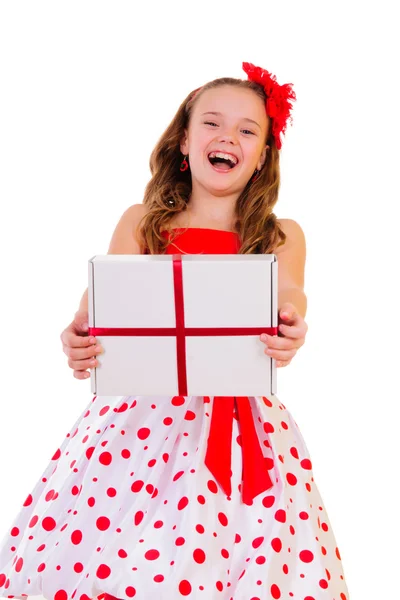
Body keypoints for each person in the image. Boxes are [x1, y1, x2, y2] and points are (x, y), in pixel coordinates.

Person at [0, 62, 350, 600]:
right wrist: (79, 334)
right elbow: (100, 304)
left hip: (244, 427)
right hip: (141, 420)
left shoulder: (282, 234)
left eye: (247, 130)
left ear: (262, 158)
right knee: (134, 557)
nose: (227, 136)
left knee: (248, 553)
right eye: (211, 123)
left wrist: (291, 324)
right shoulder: (143, 223)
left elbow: (290, 297)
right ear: (184, 143)